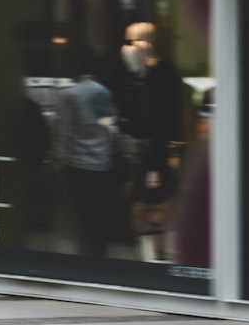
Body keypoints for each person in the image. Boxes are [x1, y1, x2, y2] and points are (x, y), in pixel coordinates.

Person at [114, 21, 184, 261]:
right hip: (138, 152)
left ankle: (164, 257)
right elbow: (126, 114)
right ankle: (149, 259)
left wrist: (141, 76)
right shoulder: (130, 75)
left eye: (134, 42)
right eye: (127, 42)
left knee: (158, 206)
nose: (128, 48)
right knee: (140, 208)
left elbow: (163, 118)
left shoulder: (165, 74)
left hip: (157, 153)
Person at [57, 74, 117, 257]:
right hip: (102, 163)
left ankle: (85, 253)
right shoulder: (104, 92)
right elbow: (111, 128)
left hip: (79, 163)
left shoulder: (71, 94)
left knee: (82, 213)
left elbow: (65, 130)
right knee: (100, 212)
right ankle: (100, 251)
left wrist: (59, 157)